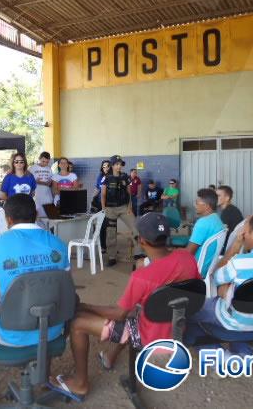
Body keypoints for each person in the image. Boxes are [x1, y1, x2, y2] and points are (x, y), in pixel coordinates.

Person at [48, 212, 200, 400]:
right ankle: (109, 357)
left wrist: (86, 306)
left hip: (151, 338)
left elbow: (119, 314)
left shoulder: (143, 276)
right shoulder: (187, 258)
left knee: (79, 322)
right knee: (132, 308)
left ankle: (80, 384)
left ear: (142, 241)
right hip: (176, 327)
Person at [0, 194, 70, 409]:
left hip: (11, 334)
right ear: (36, 215)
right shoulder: (57, 244)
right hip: (53, 331)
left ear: (7, 218)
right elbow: (63, 290)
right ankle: (44, 378)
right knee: (45, 305)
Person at [185, 211, 253, 356]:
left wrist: (236, 246)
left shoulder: (239, 263)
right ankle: (243, 352)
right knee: (242, 303)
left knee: (190, 308)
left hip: (232, 322)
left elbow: (215, 276)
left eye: (245, 232)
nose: (242, 235)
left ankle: (216, 354)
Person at [101, 155, 143, 266]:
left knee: (136, 227)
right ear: (112, 165)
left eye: (120, 164)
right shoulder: (106, 177)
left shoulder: (125, 177)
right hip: (110, 209)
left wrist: (130, 207)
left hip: (124, 208)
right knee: (111, 233)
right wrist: (103, 208)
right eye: (117, 164)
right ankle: (111, 256)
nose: (119, 166)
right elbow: (103, 194)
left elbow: (129, 193)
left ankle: (139, 253)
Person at [186, 188, 225, 275]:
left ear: (207, 206)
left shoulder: (203, 223)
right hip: (208, 268)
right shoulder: (217, 219)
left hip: (195, 270)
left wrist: (171, 252)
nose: (195, 205)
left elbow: (188, 253)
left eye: (197, 203)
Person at [216, 185, 244, 253]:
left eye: (218, 196)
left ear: (227, 198)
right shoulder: (231, 209)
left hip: (228, 248)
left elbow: (220, 233)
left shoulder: (227, 211)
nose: (215, 198)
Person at [91, 160, 111, 253]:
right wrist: (92, 199)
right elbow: (97, 188)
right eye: (104, 166)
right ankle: (102, 245)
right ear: (102, 167)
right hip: (100, 204)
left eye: (108, 166)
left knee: (109, 226)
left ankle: (109, 246)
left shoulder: (113, 176)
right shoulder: (100, 176)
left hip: (110, 204)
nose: (106, 168)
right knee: (101, 225)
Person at [29, 151, 53, 218]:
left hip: (47, 194)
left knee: (49, 214)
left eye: (47, 162)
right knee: (38, 215)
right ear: (39, 159)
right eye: (43, 161)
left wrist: (49, 182)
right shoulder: (32, 168)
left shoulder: (49, 168)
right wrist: (36, 182)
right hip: (37, 194)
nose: (45, 163)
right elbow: (29, 180)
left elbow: (51, 179)